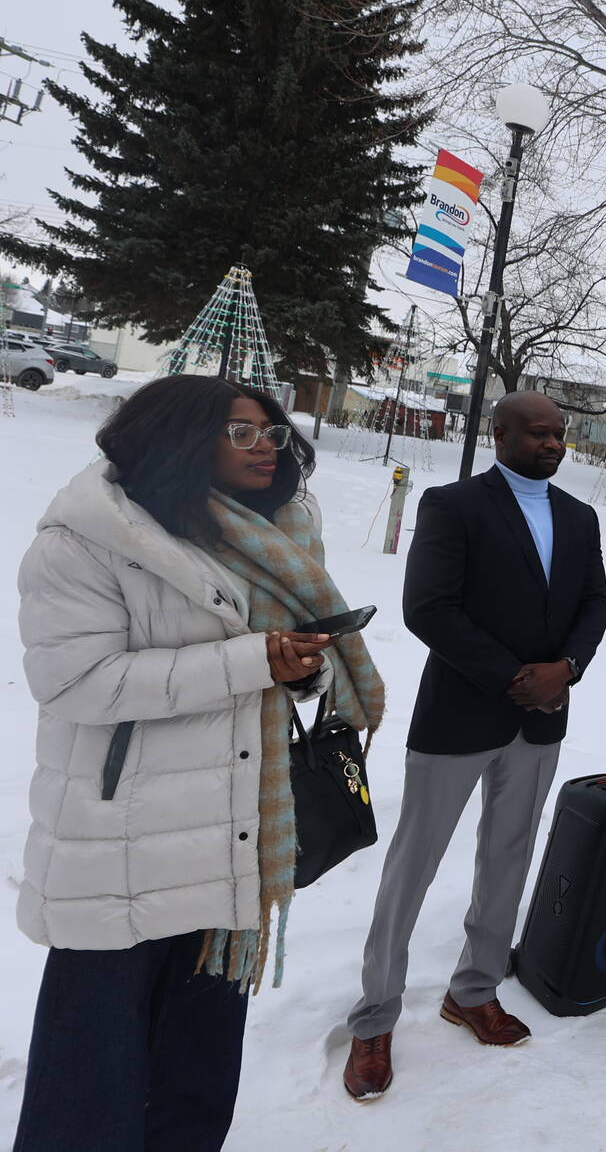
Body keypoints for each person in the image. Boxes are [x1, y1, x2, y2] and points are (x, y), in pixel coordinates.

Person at [14, 375, 383, 1150]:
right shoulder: (88, 536)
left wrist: (299, 665)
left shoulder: (270, 532)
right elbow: (76, 682)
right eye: (241, 432)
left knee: (196, 1078)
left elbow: (276, 677)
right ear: (178, 436)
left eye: (272, 433)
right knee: (88, 1089)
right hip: (123, 845)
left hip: (231, 842)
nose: (265, 448)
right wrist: (254, 660)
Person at [343, 392, 606, 1101]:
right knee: (414, 864)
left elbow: (595, 605)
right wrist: (512, 676)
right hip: (460, 716)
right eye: (539, 432)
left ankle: (474, 987)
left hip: (542, 718)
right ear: (500, 434)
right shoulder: (454, 505)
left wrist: (567, 669)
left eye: (561, 433)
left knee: (508, 857)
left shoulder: (579, 518)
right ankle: (375, 1016)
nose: (554, 443)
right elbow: (428, 607)